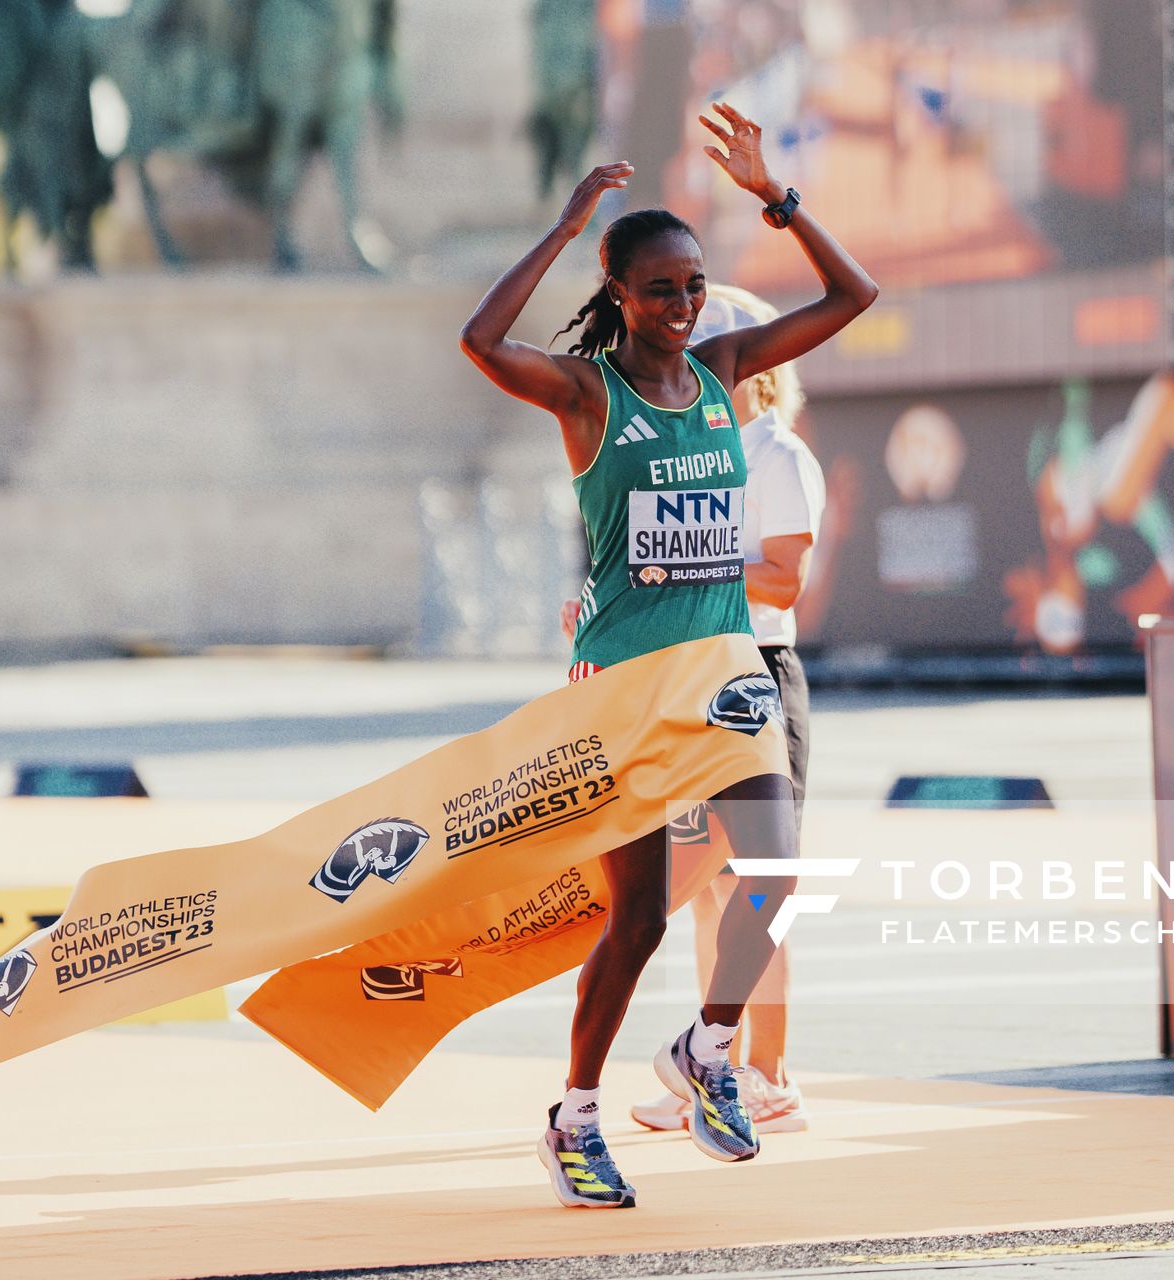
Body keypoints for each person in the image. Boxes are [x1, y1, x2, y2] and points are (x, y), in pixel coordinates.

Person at [459, 103, 876, 1209]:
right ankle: (576, 1112)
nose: (686, 306)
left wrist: (772, 198)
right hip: (627, 686)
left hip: (725, 669)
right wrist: (560, 228)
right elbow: (479, 344)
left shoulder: (727, 369)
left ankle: (708, 1047)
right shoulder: (589, 390)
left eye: (694, 285)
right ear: (620, 295)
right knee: (636, 917)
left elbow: (854, 298)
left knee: (775, 876)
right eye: (662, 289)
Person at [564, 285, 825, 1135]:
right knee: (703, 897)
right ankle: (715, 1072)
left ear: (751, 364)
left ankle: (767, 1073)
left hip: (758, 669)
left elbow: (783, 580)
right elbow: (645, 560)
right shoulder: (688, 438)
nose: (691, 353)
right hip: (687, 674)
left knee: (758, 885)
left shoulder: (775, 453)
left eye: (711, 338)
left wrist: (681, 569)